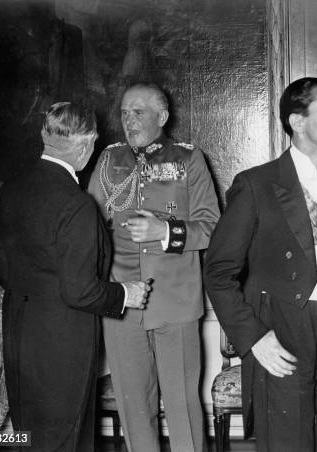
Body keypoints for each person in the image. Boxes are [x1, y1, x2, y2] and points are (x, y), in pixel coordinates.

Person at [203, 77, 317, 452]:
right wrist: (254, 338)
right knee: (288, 442)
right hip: (281, 330)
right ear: (296, 121)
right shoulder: (256, 185)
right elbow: (217, 272)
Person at [0, 102, 150, 451]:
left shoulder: (9, 190)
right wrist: (125, 294)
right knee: (68, 441)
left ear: (45, 137)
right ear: (86, 146)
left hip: (19, 337)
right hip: (63, 346)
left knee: (31, 439)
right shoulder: (75, 204)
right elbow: (80, 292)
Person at [88, 83, 219, 452]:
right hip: (122, 302)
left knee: (182, 406)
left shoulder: (189, 158)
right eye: (125, 113)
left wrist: (166, 231)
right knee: (135, 408)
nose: (129, 120)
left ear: (161, 117)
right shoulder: (109, 159)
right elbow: (89, 223)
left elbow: (211, 226)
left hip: (175, 301)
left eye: (139, 112)